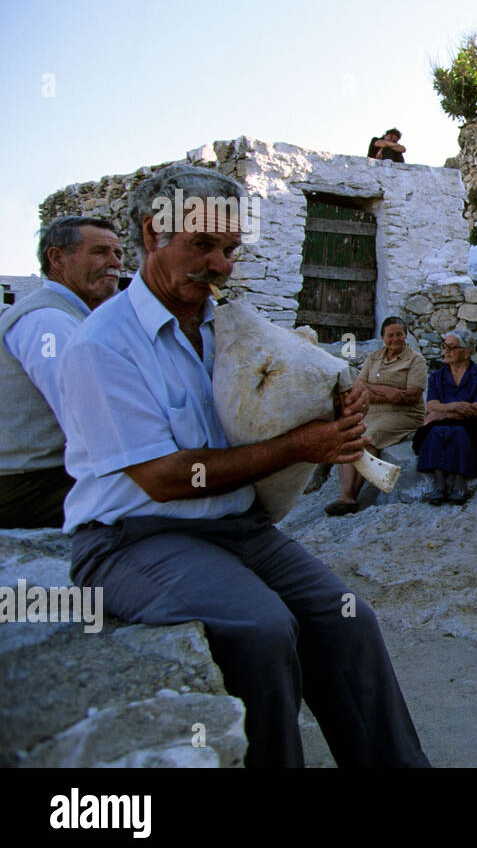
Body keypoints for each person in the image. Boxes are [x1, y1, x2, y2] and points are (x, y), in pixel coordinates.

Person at [57, 164, 429, 768]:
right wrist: (300, 447)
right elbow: (164, 478)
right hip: (133, 539)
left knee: (348, 621)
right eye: (201, 246)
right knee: (261, 631)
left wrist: (339, 401)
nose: (221, 265)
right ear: (153, 235)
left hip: (236, 527)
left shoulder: (226, 324)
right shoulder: (104, 345)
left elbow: (273, 400)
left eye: (230, 249)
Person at [0, 216, 122, 528]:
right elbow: (87, 419)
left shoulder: (69, 317)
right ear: (57, 258)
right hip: (27, 486)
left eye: (118, 254)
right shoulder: (49, 322)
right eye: (99, 252)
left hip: (40, 478)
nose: (114, 263)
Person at [325, 316, 428, 515]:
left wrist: (374, 392)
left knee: (369, 437)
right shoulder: (374, 357)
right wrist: (387, 391)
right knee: (348, 436)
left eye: (400, 334)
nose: (395, 339)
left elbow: (409, 396)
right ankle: (345, 495)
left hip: (404, 414)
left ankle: (349, 498)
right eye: (390, 335)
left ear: (405, 335)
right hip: (373, 411)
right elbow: (360, 386)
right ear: (383, 337)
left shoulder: (416, 360)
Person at [414, 329, 477, 505]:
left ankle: (460, 481)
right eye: (444, 347)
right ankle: (440, 483)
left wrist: (443, 412)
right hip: (446, 421)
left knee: (458, 432)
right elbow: (431, 405)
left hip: (474, 423)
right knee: (436, 432)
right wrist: (456, 407)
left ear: (466, 352)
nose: (446, 351)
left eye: (452, 347)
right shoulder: (437, 376)